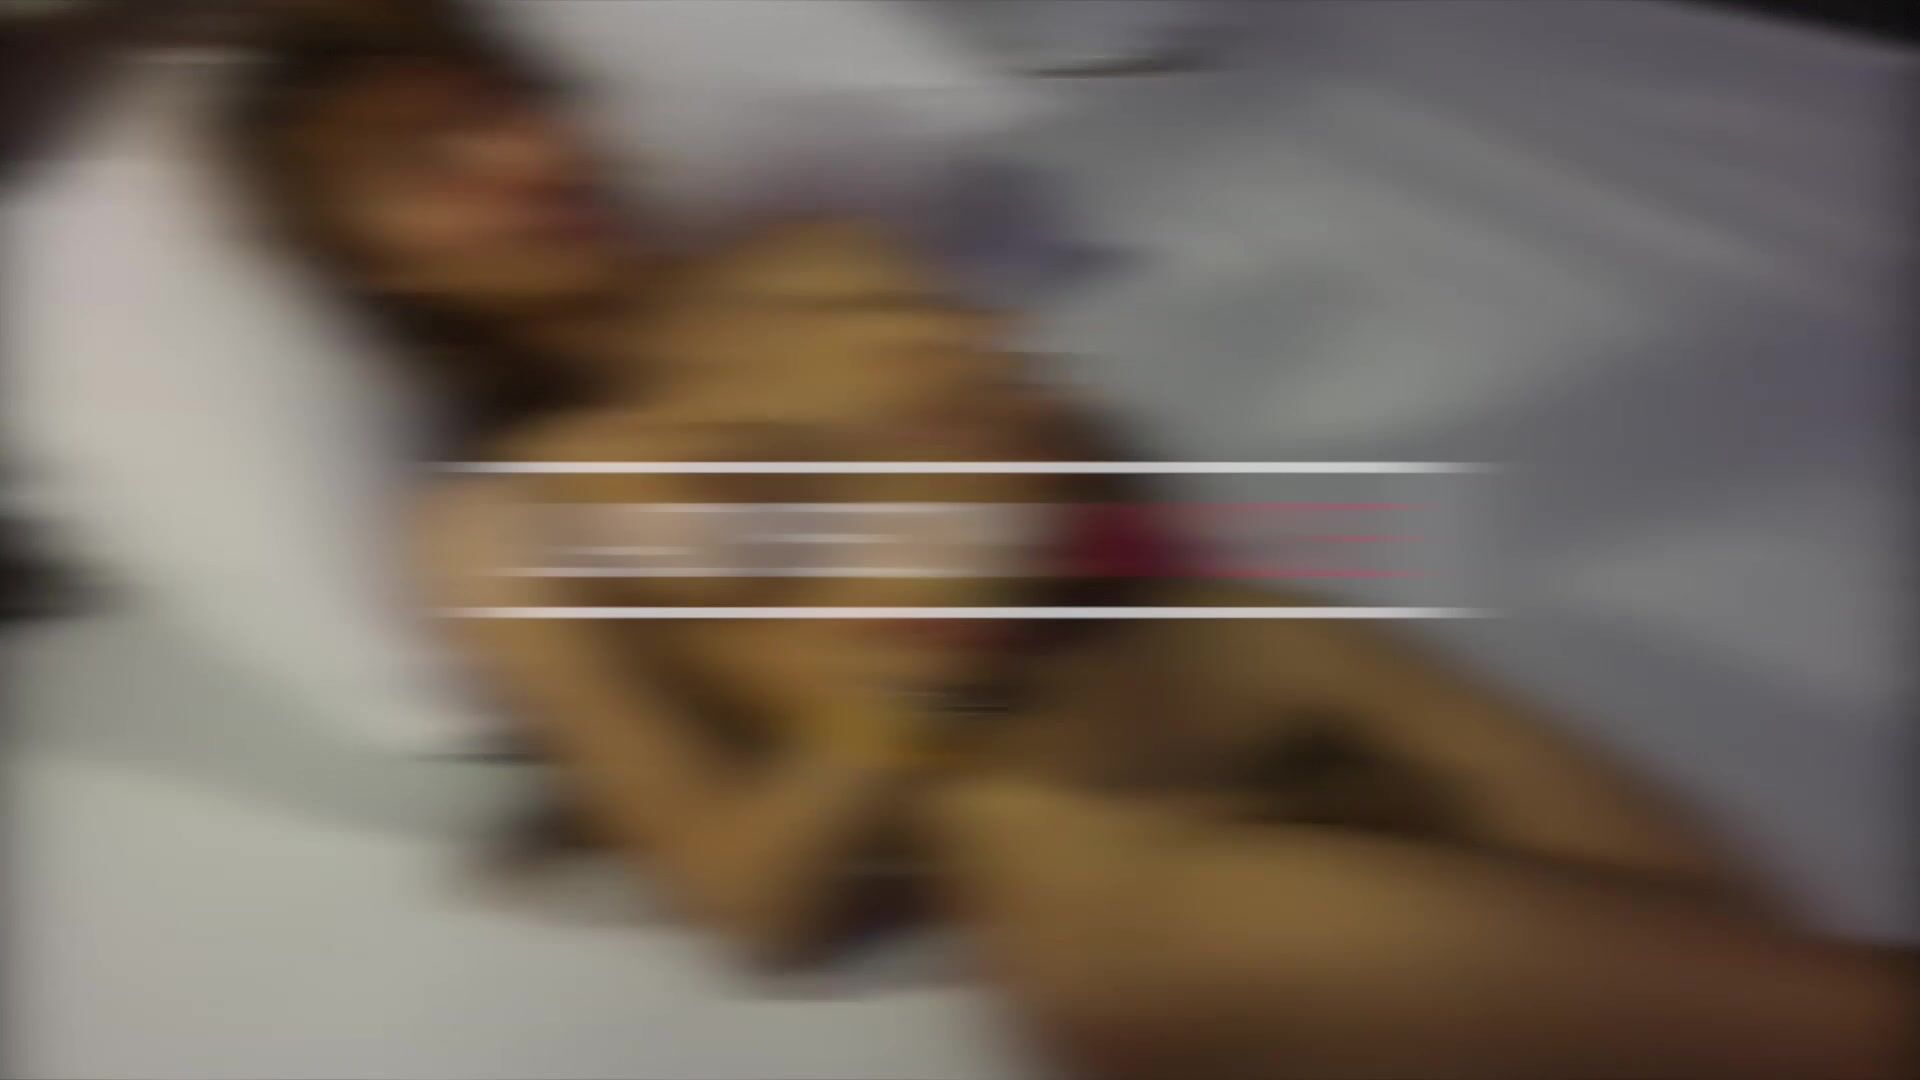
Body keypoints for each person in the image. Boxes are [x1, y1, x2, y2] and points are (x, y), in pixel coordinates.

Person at [235, 10, 1914, 1079]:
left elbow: (1137, 532)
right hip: (1104, 853)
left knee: (1766, 989)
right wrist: (924, 630)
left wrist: (1045, 443)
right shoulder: (502, 524)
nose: (516, 159)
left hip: (1282, 658)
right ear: (374, 265)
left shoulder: (813, 261)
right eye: (425, 163)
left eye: (506, 105)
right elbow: (753, 908)